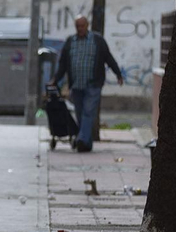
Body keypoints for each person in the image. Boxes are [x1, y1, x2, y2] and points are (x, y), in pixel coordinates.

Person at [51, 15, 125, 152]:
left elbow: (108, 58)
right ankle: (86, 144)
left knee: (88, 112)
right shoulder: (70, 42)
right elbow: (63, 65)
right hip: (76, 85)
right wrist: (55, 80)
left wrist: (118, 74)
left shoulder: (97, 40)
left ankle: (82, 139)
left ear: (87, 25)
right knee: (80, 114)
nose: (80, 29)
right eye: (77, 26)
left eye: (82, 26)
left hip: (93, 84)